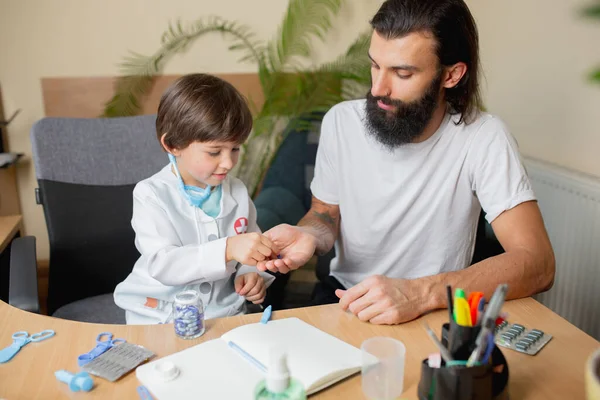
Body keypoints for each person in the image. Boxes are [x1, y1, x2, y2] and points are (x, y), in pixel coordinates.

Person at [257, 0, 555, 325]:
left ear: (451, 75)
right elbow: (324, 213)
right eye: (375, 66)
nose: (377, 89)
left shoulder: (484, 137)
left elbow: (538, 263)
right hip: (346, 298)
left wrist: (420, 294)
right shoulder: (340, 122)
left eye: (402, 73)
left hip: (436, 307)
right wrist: (311, 235)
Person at [114, 74, 277, 324]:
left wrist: (250, 273)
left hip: (223, 313)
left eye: (235, 149)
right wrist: (228, 248)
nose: (228, 162)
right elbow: (163, 264)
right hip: (160, 316)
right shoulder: (151, 194)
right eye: (214, 152)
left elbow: (252, 247)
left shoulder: (238, 192)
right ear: (172, 145)